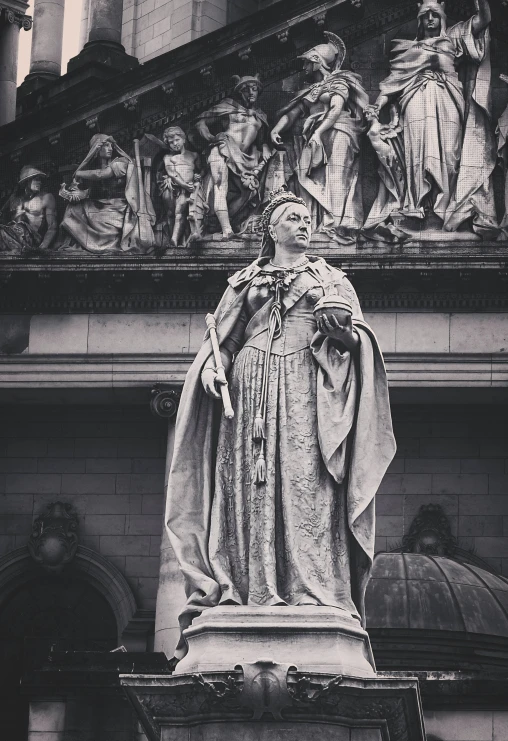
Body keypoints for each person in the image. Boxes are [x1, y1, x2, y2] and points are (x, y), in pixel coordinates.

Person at [167, 189, 396, 660]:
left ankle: (315, 590)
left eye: (307, 218)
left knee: (306, 483)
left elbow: (355, 339)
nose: (303, 224)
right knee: (250, 484)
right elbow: (224, 340)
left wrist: (344, 333)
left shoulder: (331, 278)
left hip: (306, 385)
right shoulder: (244, 280)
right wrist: (213, 366)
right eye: (293, 218)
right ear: (271, 228)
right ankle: (248, 588)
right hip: (250, 383)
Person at [364, 0, 498, 240]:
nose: (430, 19)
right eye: (425, 16)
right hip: (414, 100)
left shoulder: (455, 37)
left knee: (449, 154)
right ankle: (416, 207)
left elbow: (484, 19)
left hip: (448, 99)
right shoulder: (406, 49)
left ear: (443, 17)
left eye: (434, 14)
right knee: (417, 153)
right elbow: (393, 81)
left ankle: (446, 209)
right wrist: (377, 106)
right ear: (418, 20)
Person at [270, 32, 368, 243]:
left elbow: (335, 109)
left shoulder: (339, 82)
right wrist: (276, 129)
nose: (304, 67)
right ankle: (316, 223)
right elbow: (293, 113)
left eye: (306, 63)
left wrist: (319, 132)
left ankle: (338, 223)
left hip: (340, 132)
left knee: (337, 177)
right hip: (315, 135)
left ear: (317, 61)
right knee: (304, 175)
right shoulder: (310, 90)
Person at [194, 75, 274, 239]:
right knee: (220, 187)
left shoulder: (260, 116)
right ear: (240, 91)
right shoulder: (227, 107)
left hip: (247, 159)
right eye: (247, 89)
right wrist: (211, 138)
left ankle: (229, 223)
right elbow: (200, 123)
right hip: (223, 149)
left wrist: (265, 148)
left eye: (255, 89)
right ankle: (226, 230)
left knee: (247, 193)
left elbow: (261, 141)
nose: (251, 93)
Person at [59, 133, 155, 253]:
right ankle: (72, 244)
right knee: (73, 209)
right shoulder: (94, 168)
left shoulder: (121, 162)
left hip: (120, 208)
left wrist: (78, 173)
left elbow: (101, 174)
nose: (110, 148)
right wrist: (80, 194)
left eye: (111, 146)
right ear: (97, 149)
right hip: (102, 206)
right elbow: (97, 190)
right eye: (105, 145)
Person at [157, 126, 200, 247]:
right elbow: (172, 173)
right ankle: (175, 238)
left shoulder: (194, 155)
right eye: (171, 142)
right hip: (173, 188)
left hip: (188, 191)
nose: (175, 144)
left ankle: (174, 239)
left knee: (179, 212)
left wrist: (198, 176)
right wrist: (185, 185)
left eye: (177, 140)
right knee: (171, 214)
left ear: (184, 139)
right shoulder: (168, 157)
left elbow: (201, 170)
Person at [0, 166, 57, 252]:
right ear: (27, 181)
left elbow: (52, 226)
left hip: (34, 240)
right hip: (14, 239)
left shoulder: (47, 197)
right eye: (36, 179)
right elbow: (2, 215)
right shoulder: (14, 198)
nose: (40, 182)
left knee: (21, 226)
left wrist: (42, 248)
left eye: (40, 180)